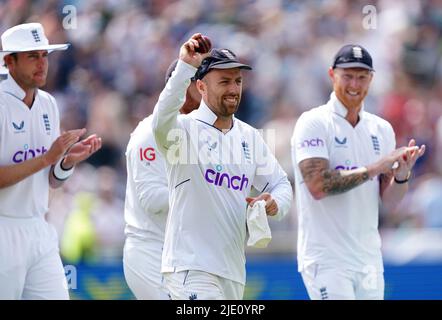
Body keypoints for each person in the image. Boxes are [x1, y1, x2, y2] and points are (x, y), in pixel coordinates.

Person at [152, 33, 292, 300]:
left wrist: (275, 202)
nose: (233, 89)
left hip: (233, 272)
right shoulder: (184, 131)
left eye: (238, 81)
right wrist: (185, 67)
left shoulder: (250, 137)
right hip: (190, 268)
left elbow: (282, 185)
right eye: (224, 81)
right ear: (202, 87)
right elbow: (160, 120)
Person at [290, 44, 425, 300]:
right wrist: (376, 167)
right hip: (326, 258)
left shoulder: (381, 129)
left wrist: (402, 175)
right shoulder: (314, 122)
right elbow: (318, 186)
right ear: (332, 75)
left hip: (368, 258)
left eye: (362, 77)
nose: (355, 84)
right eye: (348, 76)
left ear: (371, 79)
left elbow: (390, 202)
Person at [0, 23, 102, 299]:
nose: (42, 63)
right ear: (9, 61)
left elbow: (53, 180)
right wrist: (48, 158)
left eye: (45, 55)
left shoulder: (48, 103)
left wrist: (67, 161)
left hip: (38, 227)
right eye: (32, 56)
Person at [123, 59, 201, 300]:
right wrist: (203, 192)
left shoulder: (202, 132)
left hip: (186, 253)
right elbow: (152, 200)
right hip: (151, 252)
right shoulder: (148, 134)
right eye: (200, 84)